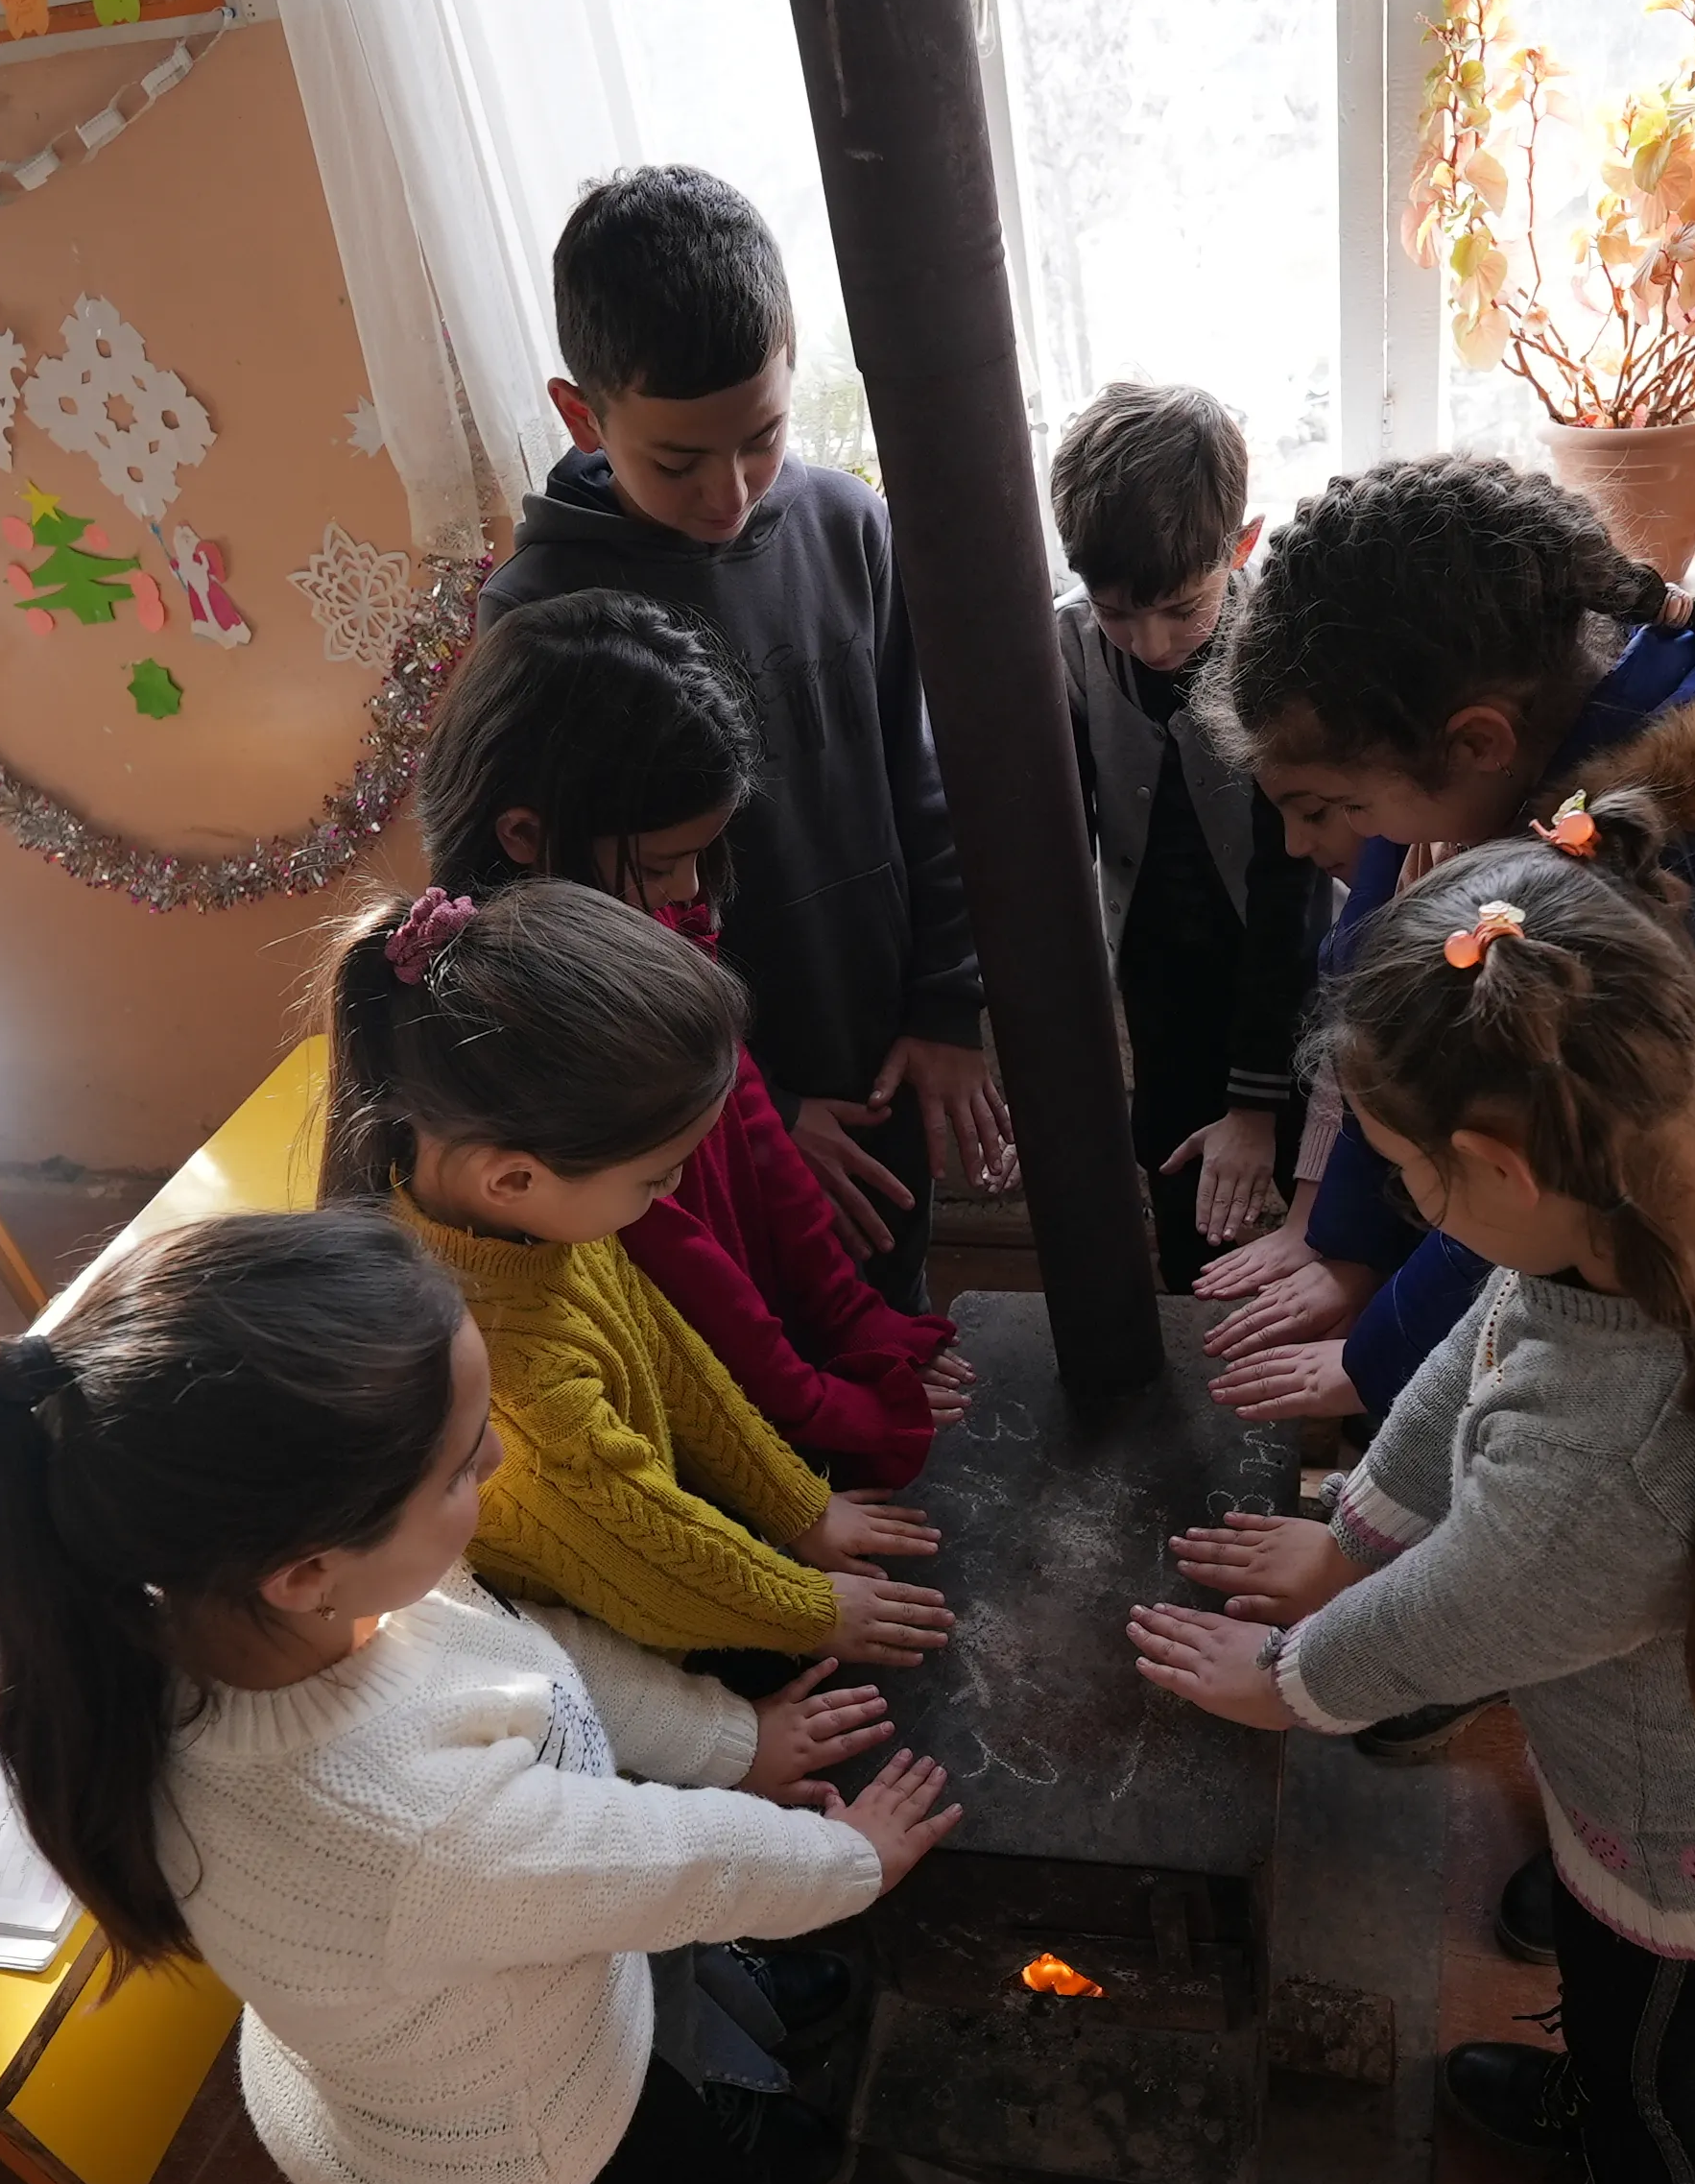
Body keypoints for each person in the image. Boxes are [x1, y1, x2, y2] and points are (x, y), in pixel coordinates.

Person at [0, 1208, 963, 2184]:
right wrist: (852, 1862)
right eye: (466, 1463)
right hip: (529, 2139)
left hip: (414, 2112)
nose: (501, 1461)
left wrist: (726, 1743)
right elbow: (671, 1865)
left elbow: (539, 1664)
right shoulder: (399, 1823)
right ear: (308, 1568)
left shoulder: (225, 1615)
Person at [1134, 815, 1695, 2184]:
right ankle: (1590, 2095)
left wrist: (1288, 1682)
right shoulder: (1685, 1194)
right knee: (1623, 2023)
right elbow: (1484, 1351)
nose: (1415, 1203)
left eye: (1408, 1174)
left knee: (1652, 2068)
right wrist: (1356, 1524)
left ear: (1493, 1161)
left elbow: (1469, 1611)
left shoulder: (1613, 1472)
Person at [1198, 458, 1695, 1962]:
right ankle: (1626, 1836)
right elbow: (1397, 1018)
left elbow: (1524, 1263)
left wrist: (1364, 1399)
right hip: (1647, 1300)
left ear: (1474, 747)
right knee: (1633, 1626)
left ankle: (1691, 1875)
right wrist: (1347, 1249)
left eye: (1325, 808)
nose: (1312, 846)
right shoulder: (1513, 814)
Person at [480, 164, 1007, 1310]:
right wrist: (742, 1102)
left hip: (876, 1045)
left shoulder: (850, 528)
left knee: (888, 1307)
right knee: (756, 1345)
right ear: (582, 415)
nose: (730, 494)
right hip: (691, 1105)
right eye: (677, 460)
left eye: (761, 438)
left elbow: (928, 778)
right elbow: (566, 924)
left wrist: (943, 1004)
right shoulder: (539, 616)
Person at [320, 876, 956, 1688]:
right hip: (606, 1672)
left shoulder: (527, 1222)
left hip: (658, 1586)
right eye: (657, 1179)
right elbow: (649, 1556)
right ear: (512, 1178)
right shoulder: (510, 1376)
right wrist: (816, 1610)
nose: (672, 1194)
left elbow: (670, 1356)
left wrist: (800, 1506)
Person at [419, 587, 972, 1488]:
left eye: (698, 859)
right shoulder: (530, 1019)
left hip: (752, 1363)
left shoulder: (645, 916)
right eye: (662, 863)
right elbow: (679, 1268)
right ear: (524, 833)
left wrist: (851, 1319)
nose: (685, 892)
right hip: (693, 1408)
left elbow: (745, 1113)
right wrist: (814, 1403)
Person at [1048, 382, 1326, 1286]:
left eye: (1181, 608)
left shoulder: (1284, 642)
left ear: (1240, 548)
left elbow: (1293, 894)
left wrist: (1253, 1103)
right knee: (1175, 1174)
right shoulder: (1071, 648)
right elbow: (1061, 835)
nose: (1151, 642)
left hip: (1288, 968)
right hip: (1159, 970)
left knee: (1302, 1193)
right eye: (1117, 610)